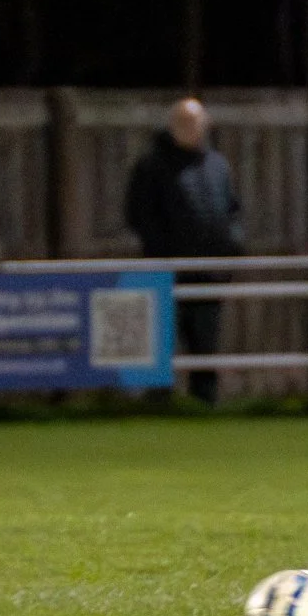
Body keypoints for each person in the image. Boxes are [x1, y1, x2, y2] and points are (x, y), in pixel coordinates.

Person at [125, 98, 242, 403]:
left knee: (205, 341)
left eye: (197, 123)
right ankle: (159, 402)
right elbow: (138, 214)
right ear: (172, 126)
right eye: (186, 123)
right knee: (162, 340)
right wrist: (165, 252)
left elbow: (232, 211)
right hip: (167, 272)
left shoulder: (217, 165)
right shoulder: (152, 165)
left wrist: (232, 246)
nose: (193, 129)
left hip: (210, 272)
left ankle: (205, 401)